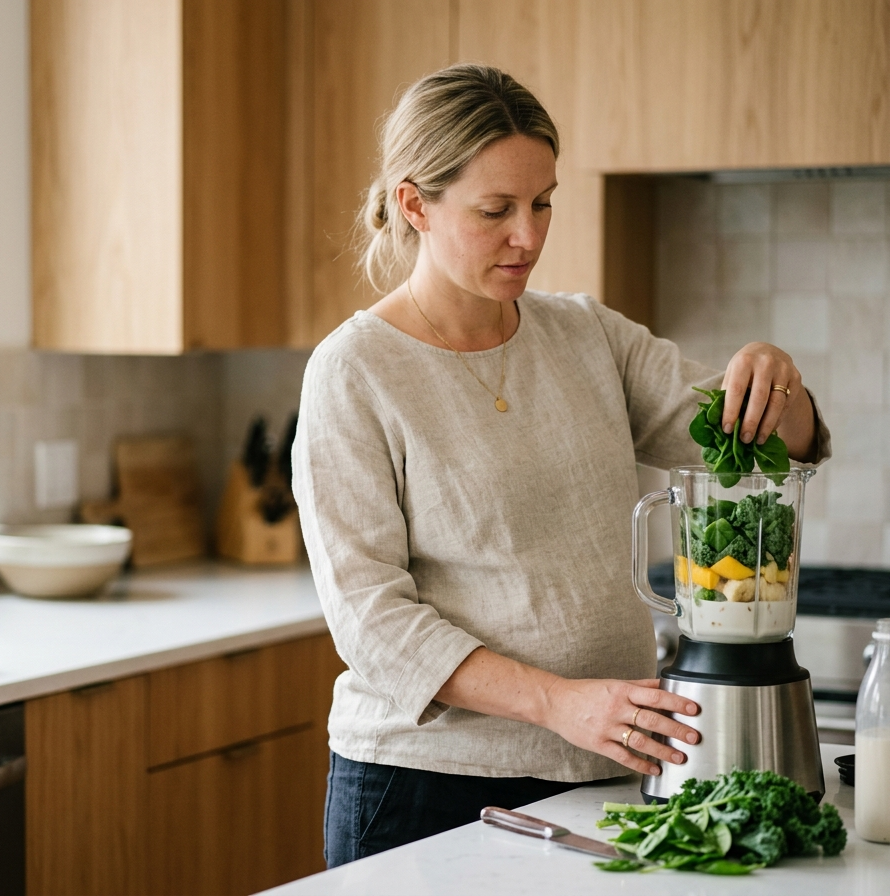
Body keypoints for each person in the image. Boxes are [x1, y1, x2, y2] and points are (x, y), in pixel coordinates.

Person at [291, 64, 829, 868]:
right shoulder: (354, 371)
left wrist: (773, 378)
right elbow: (373, 623)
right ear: (414, 205)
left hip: (602, 769)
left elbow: (752, 444)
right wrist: (560, 703)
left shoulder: (586, 335)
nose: (530, 236)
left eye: (542, 202)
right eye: (495, 211)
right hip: (426, 788)